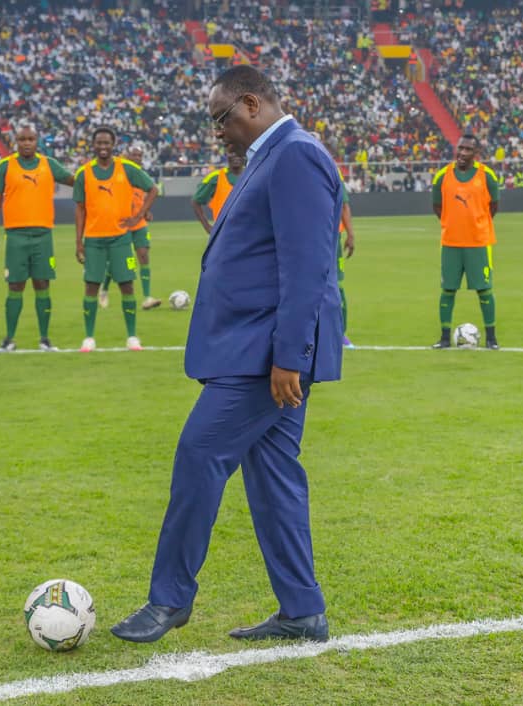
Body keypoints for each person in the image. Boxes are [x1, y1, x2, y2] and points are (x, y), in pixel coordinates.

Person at [110, 65, 343, 644]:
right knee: (274, 479)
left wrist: (289, 355)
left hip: (266, 357)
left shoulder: (294, 154)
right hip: (254, 349)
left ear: (251, 104)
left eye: (221, 119)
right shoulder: (270, 156)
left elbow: (308, 263)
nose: (218, 132)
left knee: (198, 454)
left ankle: (169, 601)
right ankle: (302, 610)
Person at [0, 124, 75, 353]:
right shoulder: (5, 166)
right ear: (16, 141)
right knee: (15, 285)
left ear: (37, 141)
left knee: (42, 284)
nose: (26, 143)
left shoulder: (49, 164)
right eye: (22, 139)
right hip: (16, 235)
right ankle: (9, 340)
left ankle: (45, 340)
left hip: (43, 235)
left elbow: (75, 181)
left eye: (30, 139)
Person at [73, 126, 158, 353]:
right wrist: (78, 242)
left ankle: (132, 337)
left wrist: (138, 216)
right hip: (93, 240)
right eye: (98, 143)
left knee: (127, 285)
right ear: (93, 145)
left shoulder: (127, 168)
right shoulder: (84, 173)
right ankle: (89, 338)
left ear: (113, 145)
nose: (102, 147)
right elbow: (80, 210)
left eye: (106, 143)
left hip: (121, 239)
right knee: (91, 286)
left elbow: (152, 189)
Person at [430, 134, 500, 350]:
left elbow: (494, 206)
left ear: (476, 153)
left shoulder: (487, 176)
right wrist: (453, 224)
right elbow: (437, 207)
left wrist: (476, 224)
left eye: (468, 149)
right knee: (448, 290)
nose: (462, 153)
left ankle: (491, 338)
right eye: (460, 148)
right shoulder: (442, 176)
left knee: (484, 290)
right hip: (451, 243)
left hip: (478, 243)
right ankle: (444, 337)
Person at [98, 145, 161, 311]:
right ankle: (104, 290)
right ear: (127, 156)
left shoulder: (141, 176)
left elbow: (146, 196)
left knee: (143, 255)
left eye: (140, 155)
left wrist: (144, 212)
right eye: (134, 155)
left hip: (138, 223)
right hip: (122, 224)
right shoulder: (120, 173)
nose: (138, 158)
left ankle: (147, 297)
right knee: (117, 262)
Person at [191, 150, 245, 234]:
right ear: (227, 155)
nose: (236, 156)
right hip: (224, 234)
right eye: (232, 152)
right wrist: (207, 227)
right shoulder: (215, 177)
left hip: (249, 233)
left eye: (239, 152)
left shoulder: (254, 174)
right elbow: (196, 201)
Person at [337, 169, 356, 348]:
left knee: (336, 286)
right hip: (305, 237)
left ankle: (340, 333)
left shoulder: (332, 169)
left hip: (331, 239)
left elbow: (344, 204)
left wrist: (350, 234)